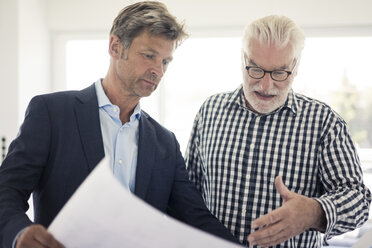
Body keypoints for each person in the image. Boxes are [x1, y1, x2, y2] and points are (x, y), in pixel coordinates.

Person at [0, 2, 239, 248]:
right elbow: (6, 191)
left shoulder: (165, 143)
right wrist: (19, 234)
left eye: (166, 61)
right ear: (115, 46)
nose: (158, 70)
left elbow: (196, 218)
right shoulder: (52, 113)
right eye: (149, 56)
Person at [185, 15, 371, 247]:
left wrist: (314, 212)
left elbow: (359, 201)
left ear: (296, 67)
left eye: (279, 73)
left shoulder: (324, 122)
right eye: (255, 69)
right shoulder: (209, 111)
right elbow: (187, 192)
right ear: (243, 60)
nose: (265, 85)